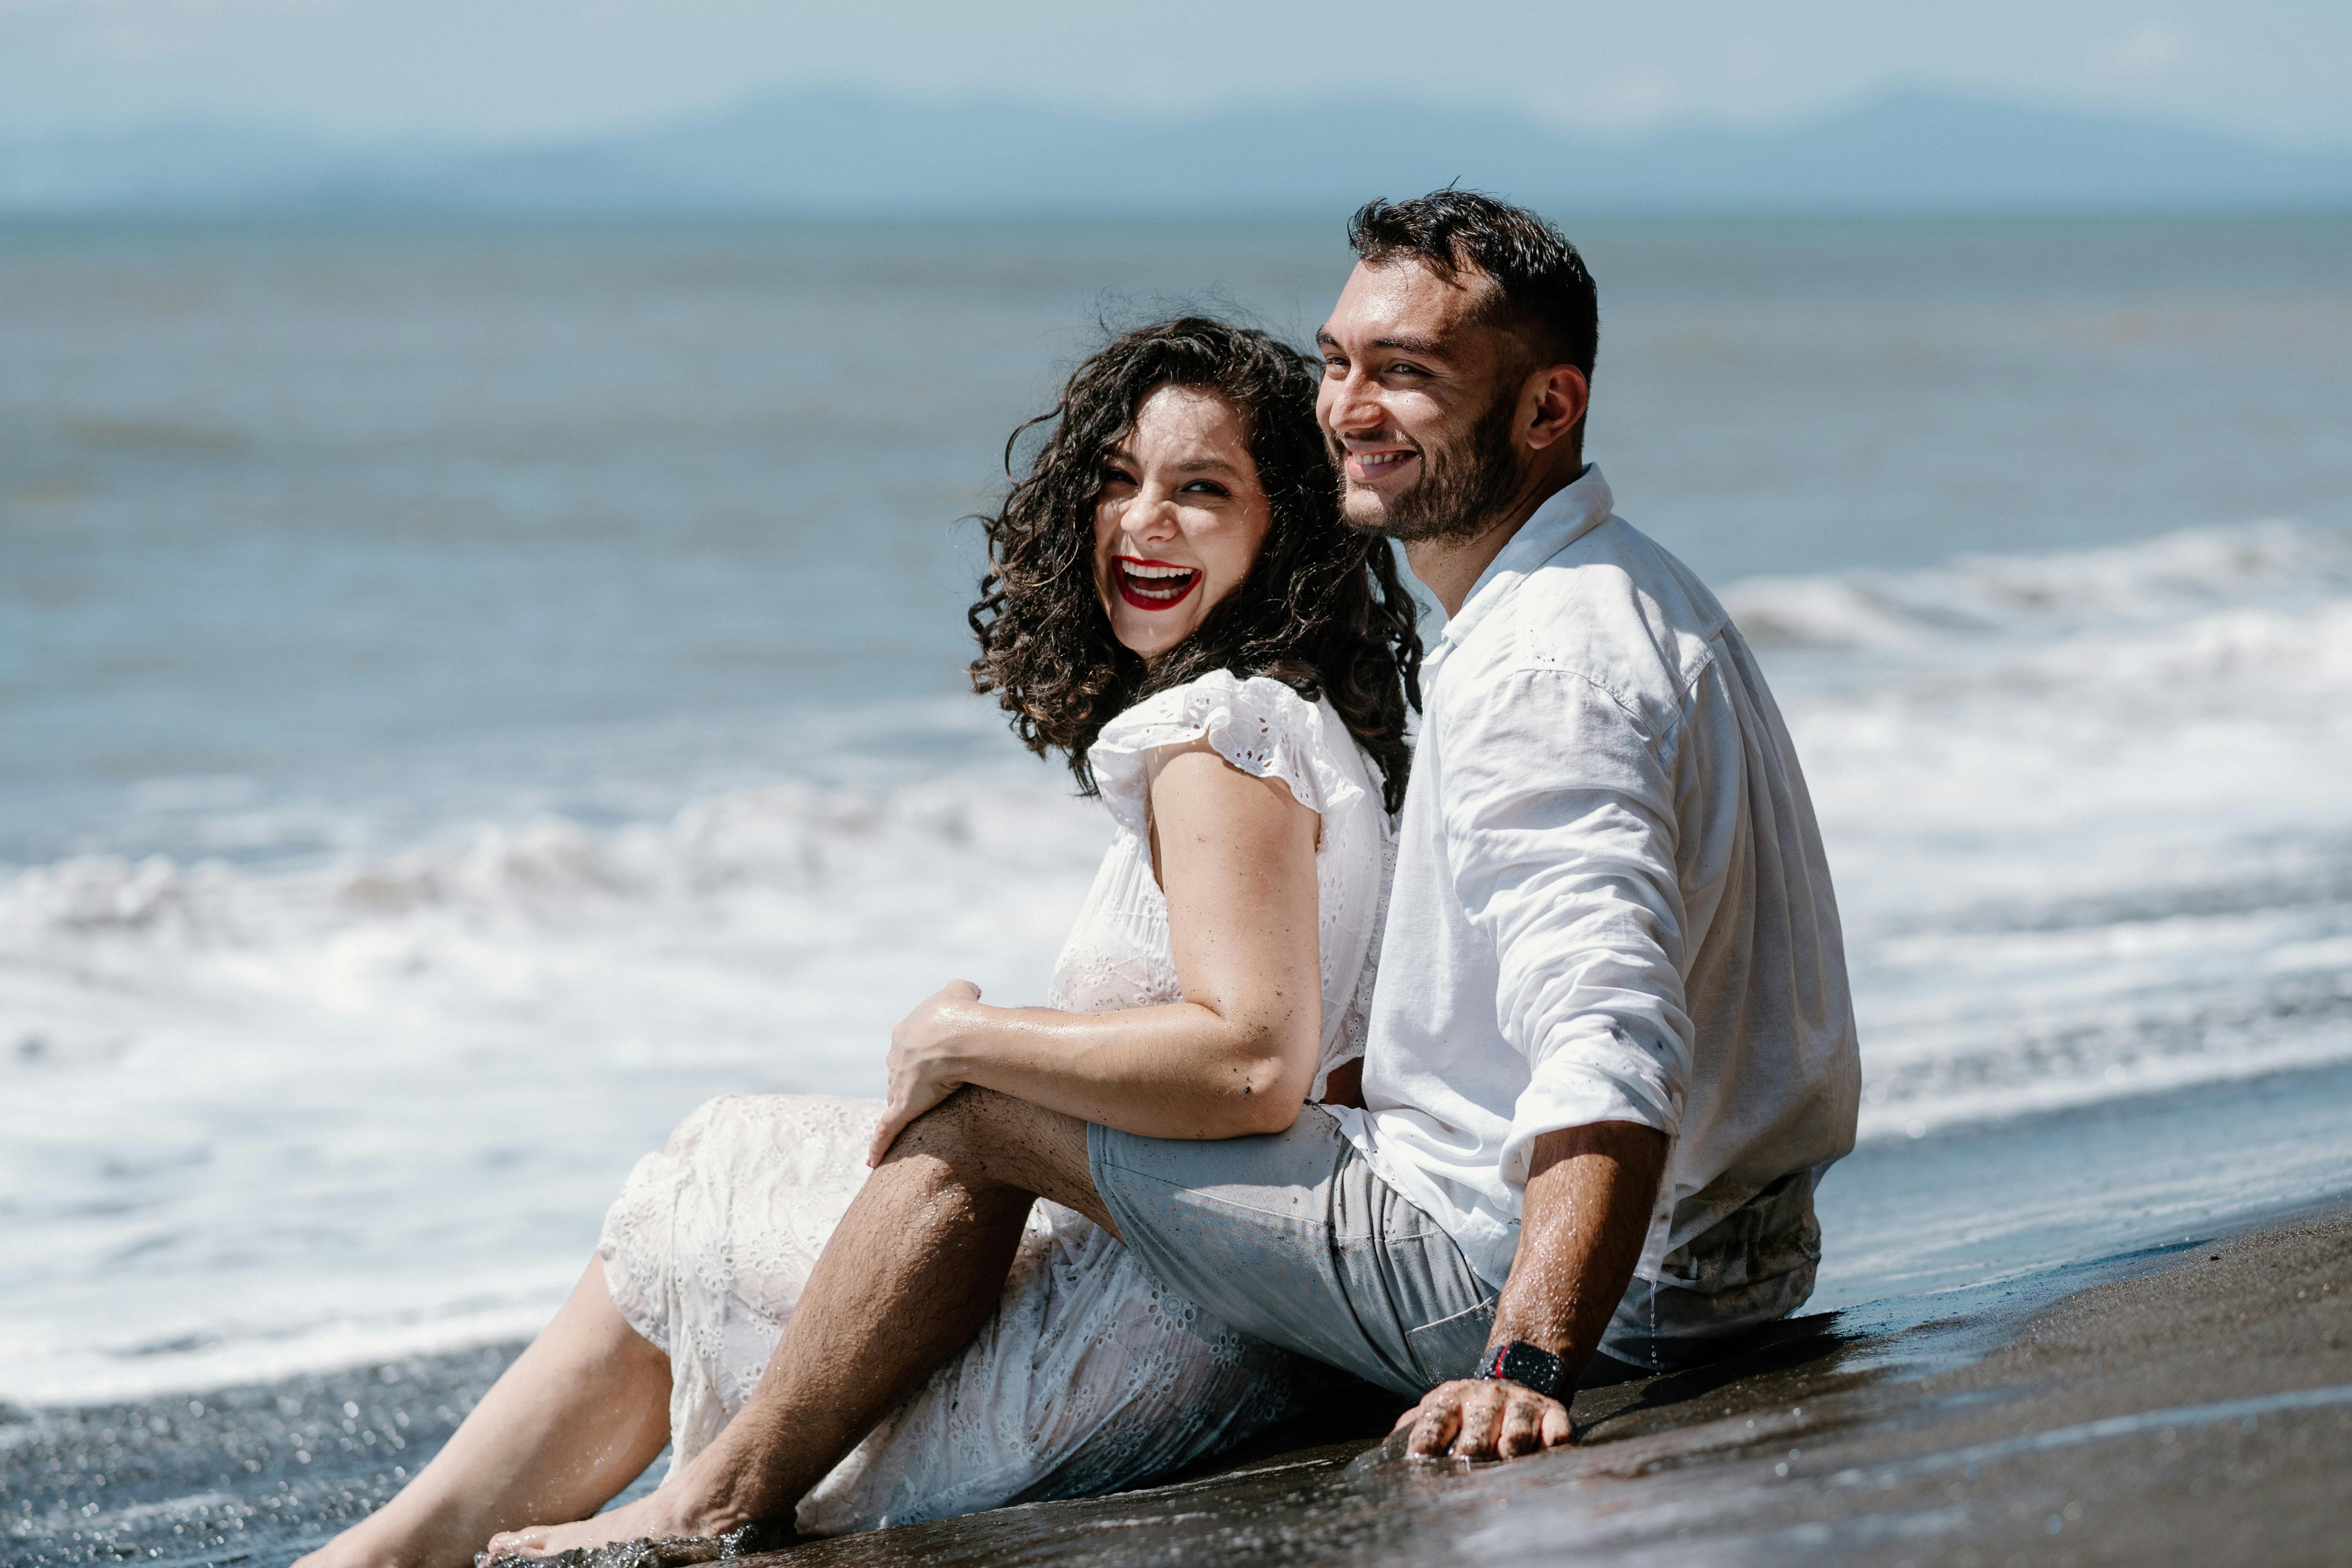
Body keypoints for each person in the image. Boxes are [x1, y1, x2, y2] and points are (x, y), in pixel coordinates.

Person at [485, 189, 1862, 1560]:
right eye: (1337, 362)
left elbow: (1608, 1039)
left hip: (1549, 1282)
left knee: (978, 1106)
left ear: (1548, 409)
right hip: (1734, 1256)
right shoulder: (1630, 591)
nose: (1348, 407)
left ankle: (712, 1503)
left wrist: (1528, 1366)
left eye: (1409, 375)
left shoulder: (1542, 666)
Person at [293, 316, 1422, 1567]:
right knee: (729, 1154)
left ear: (1288, 532)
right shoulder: (1308, 733)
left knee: (710, 1179)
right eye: (1116, 481)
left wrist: (967, 1035)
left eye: (1201, 490)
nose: (1142, 522)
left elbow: (1254, 1062)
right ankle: (419, 1544)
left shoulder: (1223, 737)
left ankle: (448, 1543)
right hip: (1208, 1292)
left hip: (1137, 1328)